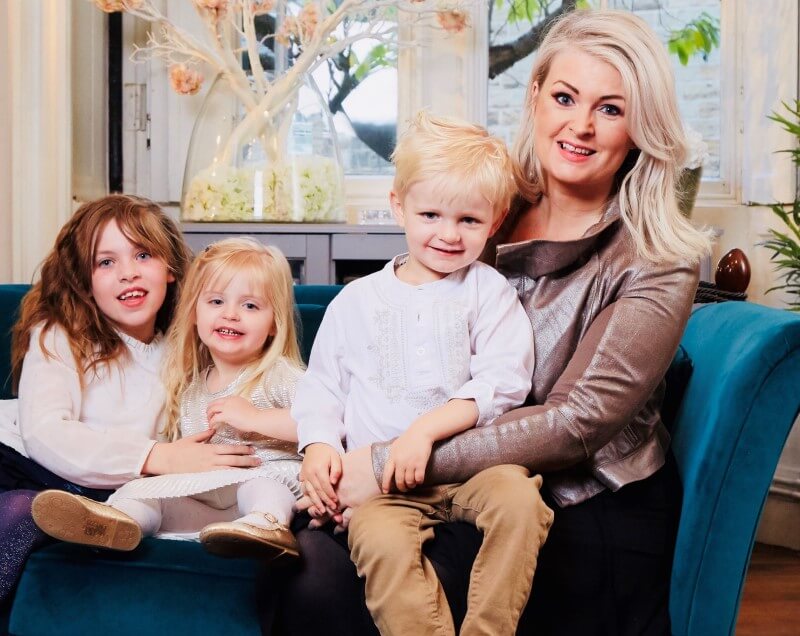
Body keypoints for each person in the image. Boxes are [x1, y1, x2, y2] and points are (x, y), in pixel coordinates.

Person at [264, 9, 714, 636]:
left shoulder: (657, 257)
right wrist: (337, 454)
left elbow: (574, 423)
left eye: (610, 109)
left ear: (640, 127)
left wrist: (388, 460)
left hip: (581, 505)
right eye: (564, 97)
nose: (579, 125)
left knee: (324, 584)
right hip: (459, 480)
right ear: (535, 98)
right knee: (304, 558)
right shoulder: (482, 209)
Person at [292, 111, 552, 636]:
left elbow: (504, 381)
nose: (448, 235)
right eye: (430, 214)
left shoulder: (489, 291)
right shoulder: (356, 300)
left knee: (523, 502)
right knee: (380, 544)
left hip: (471, 470)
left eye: (469, 221)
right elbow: (322, 388)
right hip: (382, 491)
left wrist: (423, 433)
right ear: (398, 205)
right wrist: (318, 446)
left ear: (496, 219)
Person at [0, 195, 260, 607]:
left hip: (108, 489)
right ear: (84, 281)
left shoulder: (190, 345)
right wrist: (155, 456)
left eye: (143, 254)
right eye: (106, 262)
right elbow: (45, 432)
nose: (127, 274)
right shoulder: (60, 334)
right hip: (23, 462)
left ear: (171, 269)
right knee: (20, 508)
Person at [32, 238, 305, 561]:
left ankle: (266, 525)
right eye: (216, 302)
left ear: (274, 324)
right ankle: (118, 522)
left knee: (260, 489)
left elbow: (329, 423)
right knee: (146, 492)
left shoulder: (278, 374)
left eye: (250, 306)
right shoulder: (191, 387)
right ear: (193, 313)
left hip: (265, 483)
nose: (231, 314)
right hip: (213, 506)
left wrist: (256, 419)